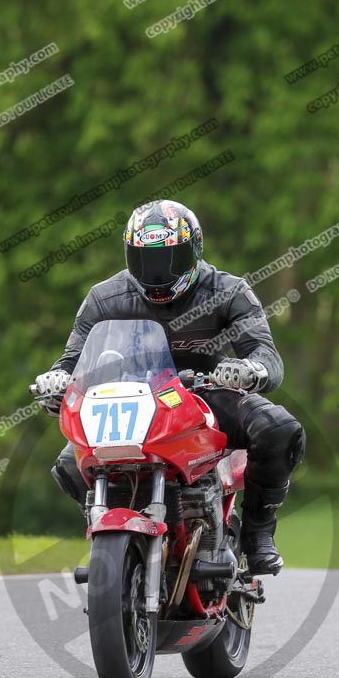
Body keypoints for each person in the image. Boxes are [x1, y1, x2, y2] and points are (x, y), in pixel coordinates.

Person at [33, 200, 305, 575]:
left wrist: (248, 370)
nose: (156, 272)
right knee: (68, 462)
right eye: (144, 260)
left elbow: (266, 355)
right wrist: (57, 383)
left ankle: (258, 533)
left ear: (193, 250)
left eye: (168, 259)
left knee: (279, 429)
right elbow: (71, 362)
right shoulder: (104, 297)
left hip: (207, 395)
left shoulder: (228, 291)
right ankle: (111, 535)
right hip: (132, 402)